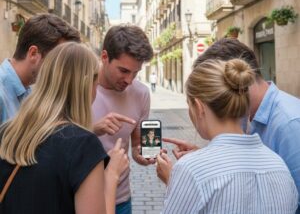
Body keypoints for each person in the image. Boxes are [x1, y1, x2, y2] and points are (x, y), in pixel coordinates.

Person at [163, 38, 300, 213]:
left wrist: (177, 182)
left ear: (198, 106)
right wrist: (208, 158)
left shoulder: (291, 124)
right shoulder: (278, 164)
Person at [0, 42, 129, 214]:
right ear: (85, 86)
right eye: (95, 85)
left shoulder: (8, 131)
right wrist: (112, 174)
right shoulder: (84, 146)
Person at [92, 24, 154, 214]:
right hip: (78, 196)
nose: (129, 80)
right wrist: (94, 128)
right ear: (104, 57)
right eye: (124, 71)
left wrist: (142, 154)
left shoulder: (141, 93)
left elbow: (137, 144)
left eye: (135, 73)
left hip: (121, 199)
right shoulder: (81, 86)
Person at [0, 14, 80, 124]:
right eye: (57, 60)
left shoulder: (30, 92)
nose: (62, 69)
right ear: (33, 53)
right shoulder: (2, 94)